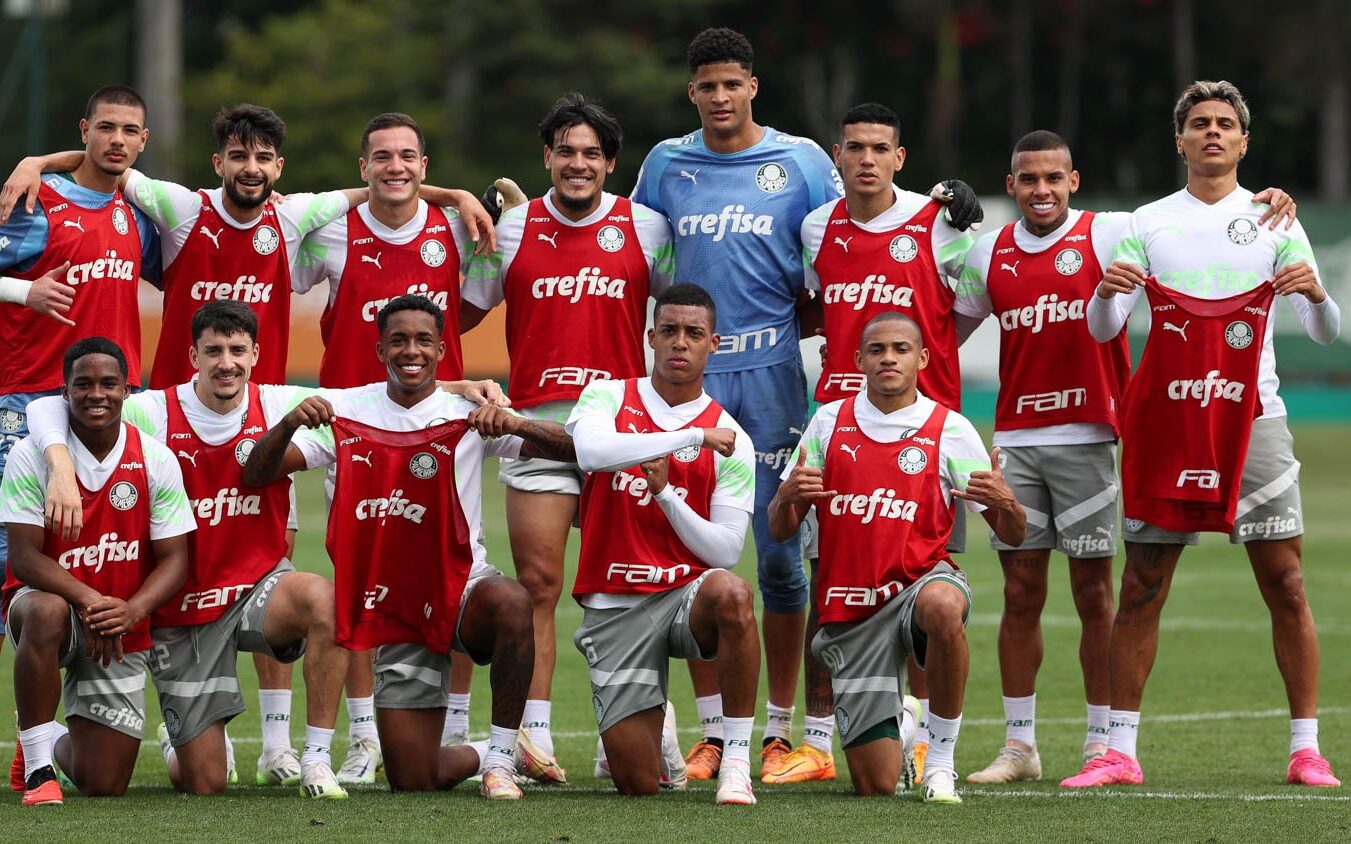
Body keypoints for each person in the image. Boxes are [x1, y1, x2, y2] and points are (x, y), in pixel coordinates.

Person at [955, 130, 1297, 783]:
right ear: (1010, 186)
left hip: (1089, 437)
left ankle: (1097, 741)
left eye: (1053, 178)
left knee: (1093, 594)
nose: (1041, 190)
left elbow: (1191, 221)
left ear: (1073, 181)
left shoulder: (1113, 231)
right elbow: (946, 336)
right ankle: (1018, 745)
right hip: (1018, 440)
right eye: (1027, 179)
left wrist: (1262, 201)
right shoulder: (987, 250)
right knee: (1020, 592)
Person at [1065, 80, 1340, 788]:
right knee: (1142, 584)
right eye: (1198, 124)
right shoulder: (1145, 222)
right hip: (1168, 424)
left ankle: (1305, 749)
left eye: (1224, 124)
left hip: (1258, 420)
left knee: (1284, 582)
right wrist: (1102, 293)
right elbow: (1102, 330)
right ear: (1179, 139)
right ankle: (1119, 753)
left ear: (1243, 142)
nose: (1211, 133)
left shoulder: (1276, 218)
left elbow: (1325, 331)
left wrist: (1316, 295)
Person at [242, 295, 573, 800]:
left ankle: (502, 763)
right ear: (380, 350)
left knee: (512, 601)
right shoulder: (348, 410)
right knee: (414, 778)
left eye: (423, 341)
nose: (410, 351)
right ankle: (492, 750)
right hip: (393, 609)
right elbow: (257, 473)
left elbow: (574, 450)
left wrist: (519, 424)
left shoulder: (468, 412)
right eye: (398, 340)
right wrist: (288, 422)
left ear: (442, 350)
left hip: (459, 588)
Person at [459, 92, 674, 782]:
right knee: (539, 585)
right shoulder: (513, 229)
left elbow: (680, 320)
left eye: (590, 153)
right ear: (546, 157)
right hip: (532, 428)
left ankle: (641, 737)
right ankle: (535, 740)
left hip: (619, 429)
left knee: (630, 591)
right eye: (564, 152)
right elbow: (459, 311)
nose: (576, 164)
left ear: (610, 163)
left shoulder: (648, 227)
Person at [769, 101, 979, 785]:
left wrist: (927, 370)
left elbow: (971, 305)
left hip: (922, 432)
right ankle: (818, 741)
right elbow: (815, 305)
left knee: (923, 586)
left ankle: (918, 726)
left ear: (899, 158)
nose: (864, 159)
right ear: (837, 157)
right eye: (853, 147)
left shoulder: (936, 222)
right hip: (837, 424)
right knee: (823, 577)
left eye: (878, 148)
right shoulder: (814, 226)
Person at [293, 111, 496, 783]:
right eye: (381, 157)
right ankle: (360, 738)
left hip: (434, 429)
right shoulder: (331, 233)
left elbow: (477, 300)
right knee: (355, 585)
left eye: (407, 156)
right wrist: (455, 191)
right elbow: (284, 224)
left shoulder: (455, 232)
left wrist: (460, 201)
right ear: (361, 168)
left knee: (453, 568)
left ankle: (459, 728)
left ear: (425, 165)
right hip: (352, 434)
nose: (395, 167)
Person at [768, 312, 1026, 802]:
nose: (889, 357)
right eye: (878, 349)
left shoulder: (949, 428)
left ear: (922, 359)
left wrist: (1006, 502)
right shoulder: (827, 422)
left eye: (901, 349)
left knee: (943, 608)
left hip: (919, 588)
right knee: (875, 785)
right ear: (859, 359)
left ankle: (941, 762)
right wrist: (786, 499)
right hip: (852, 612)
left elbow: (1013, 534)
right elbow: (779, 527)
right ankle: (903, 725)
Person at [567, 283, 760, 804]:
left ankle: (736, 762)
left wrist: (667, 494)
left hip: (684, 598)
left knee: (734, 593)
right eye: (669, 330)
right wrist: (689, 438)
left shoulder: (731, 435)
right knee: (639, 784)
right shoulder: (609, 395)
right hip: (616, 604)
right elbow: (590, 452)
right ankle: (663, 744)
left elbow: (724, 550)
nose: (680, 342)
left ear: (713, 343)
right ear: (651, 336)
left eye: (693, 333)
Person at [0, 85, 161, 673]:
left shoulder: (139, 217)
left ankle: (47, 742)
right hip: (26, 403)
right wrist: (25, 290)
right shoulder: (36, 202)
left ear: (144, 142)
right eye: (106, 128)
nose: (116, 140)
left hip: (108, 416)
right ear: (83, 130)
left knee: (99, 562)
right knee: (12, 570)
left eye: (129, 131)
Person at [0, 338, 193, 806]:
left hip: (117, 623)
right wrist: (89, 600)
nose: (96, 394)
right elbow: (23, 559)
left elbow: (175, 558)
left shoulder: (155, 457)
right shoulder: (32, 456)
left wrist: (132, 609)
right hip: (56, 611)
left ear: (128, 390)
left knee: (103, 783)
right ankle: (40, 767)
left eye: (109, 384)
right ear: (64, 392)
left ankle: (44, 737)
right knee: (45, 611)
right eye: (82, 384)